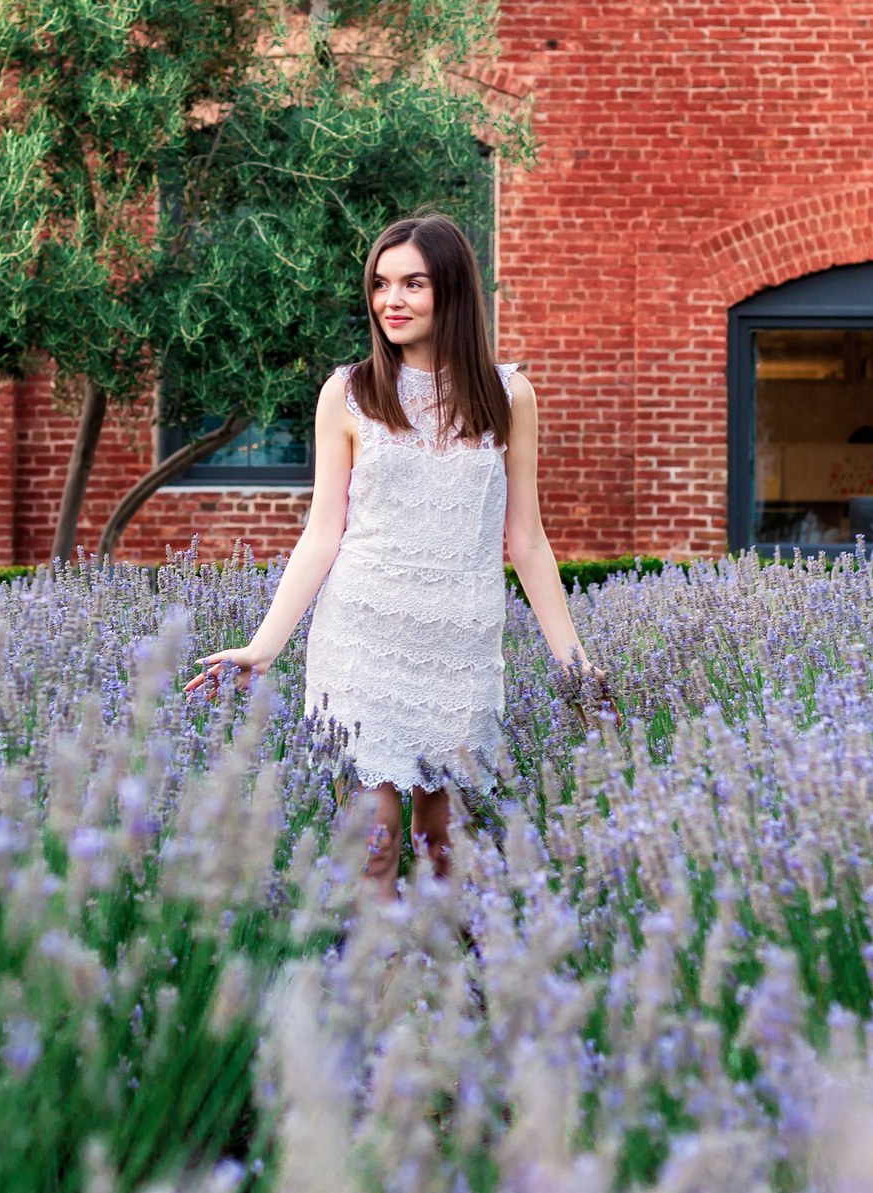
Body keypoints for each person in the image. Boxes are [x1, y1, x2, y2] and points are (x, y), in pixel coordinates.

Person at [185, 213, 597, 897]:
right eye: (380, 284)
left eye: (413, 284)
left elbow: (526, 540)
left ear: (455, 292)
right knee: (374, 845)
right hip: (363, 638)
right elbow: (323, 533)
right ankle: (371, 994)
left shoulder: (507, 394)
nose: (391, 301)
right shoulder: (348, 394)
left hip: (461, 646)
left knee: (444, 847)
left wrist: (575, 664)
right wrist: (263, 647)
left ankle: (448, 991)